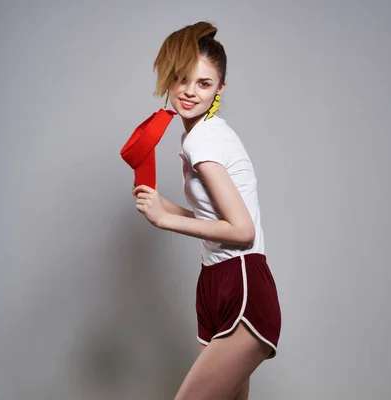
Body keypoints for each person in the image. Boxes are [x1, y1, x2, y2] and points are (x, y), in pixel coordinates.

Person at [132, 21, 282, 399]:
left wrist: (165, 220)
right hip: (215, 281)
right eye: (182, 78)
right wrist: (160, 203)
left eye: (204, 83)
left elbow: (242, 230)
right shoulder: (197, 136)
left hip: (241, 281)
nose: (189, 92)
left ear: (220, 89)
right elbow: (215, 220)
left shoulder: (205, 139)